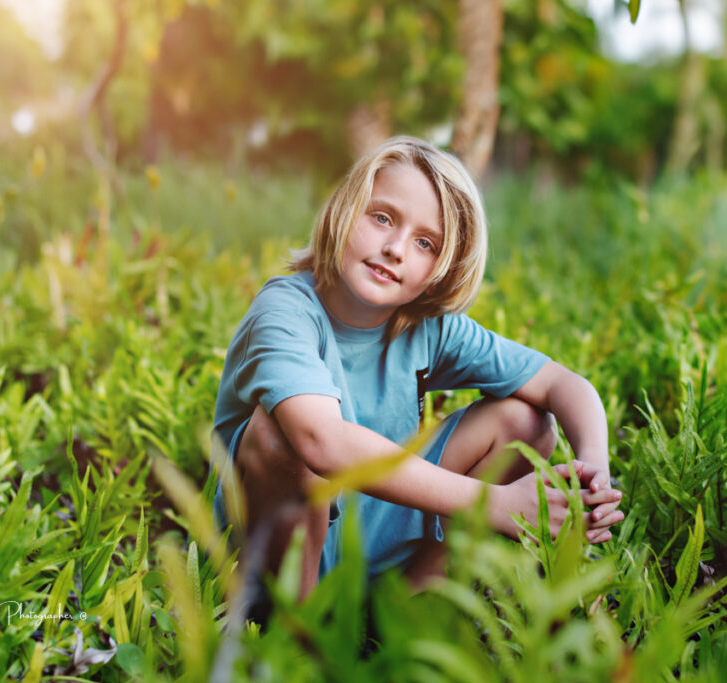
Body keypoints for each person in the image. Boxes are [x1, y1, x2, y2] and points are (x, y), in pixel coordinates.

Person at [212, 136, 623, 599]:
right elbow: (320, 441)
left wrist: (595, 469)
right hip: (272, 553)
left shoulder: (428, 327)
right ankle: (301, 643)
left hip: (373, 520)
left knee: (525, 421)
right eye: (382, 218)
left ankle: (401, 615)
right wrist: (497, 503)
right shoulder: (286, 309)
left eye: (425, 243)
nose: (396, 248)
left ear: (442, 269)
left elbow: (560, 383)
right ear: (344, 209)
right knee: (276, 435)